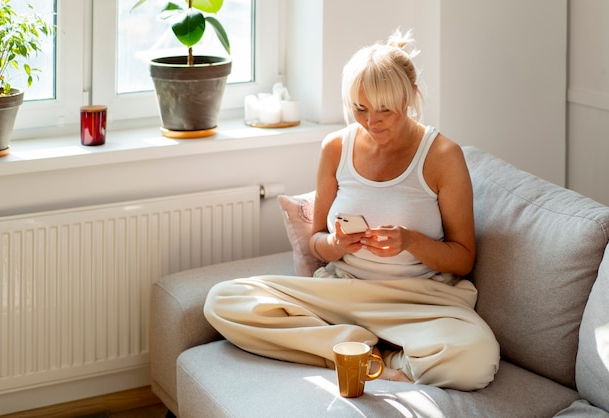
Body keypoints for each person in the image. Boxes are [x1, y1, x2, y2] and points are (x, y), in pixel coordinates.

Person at [204, 29, 500, 391]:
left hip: (418, 299)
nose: (371, 122)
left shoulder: (442, 156)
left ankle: (370, 355)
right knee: (223, 300)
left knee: (477, 361)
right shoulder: (335, 148)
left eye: (384, 111)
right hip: (342, 292)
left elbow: (463, 258)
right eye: (360, 109)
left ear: (409, 99)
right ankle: (365, 350)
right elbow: (315, 241)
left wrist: (410, 241)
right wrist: (336, 245)